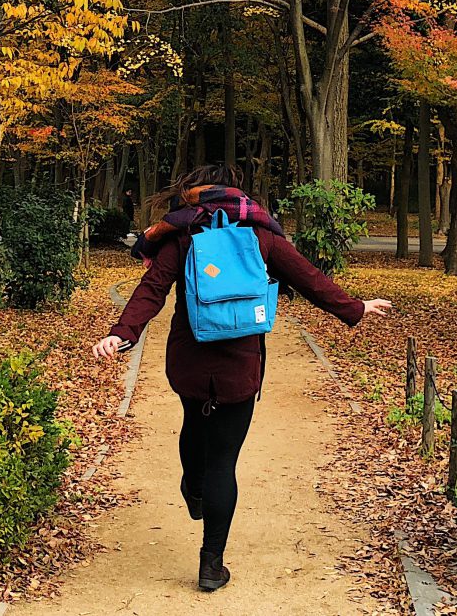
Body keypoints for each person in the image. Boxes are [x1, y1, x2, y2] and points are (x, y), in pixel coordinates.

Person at [93, 165, 391, 594]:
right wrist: (355, 308)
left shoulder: (181, 234)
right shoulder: (260, 233)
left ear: (193, 194)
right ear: (235, 192)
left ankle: (192, 486)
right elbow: (308, 278)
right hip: (240, 363)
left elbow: (152, 289)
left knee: (194, 426)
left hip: (190, 357)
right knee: (224, 463)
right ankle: (211, 565)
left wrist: (122, 333)